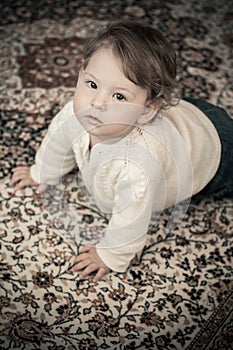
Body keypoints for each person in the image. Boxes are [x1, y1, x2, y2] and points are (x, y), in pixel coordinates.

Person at [10, 20, 233, 282]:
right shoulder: (77, 112)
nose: (97, 102)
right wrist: (41, 173)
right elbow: (58, 143)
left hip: (216, 153)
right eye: (92, 84)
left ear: (147, 110)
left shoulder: (138, 163)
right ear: (80, 75)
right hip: (189, 114)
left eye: (119, 97)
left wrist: (108, 255)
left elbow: (132, 220)